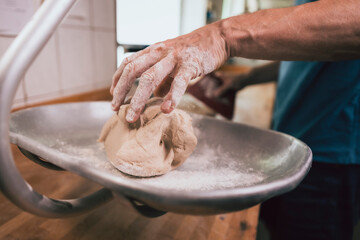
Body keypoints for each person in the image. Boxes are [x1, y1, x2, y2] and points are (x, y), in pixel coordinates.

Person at [111, 0, 360, 239]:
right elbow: (312, 52)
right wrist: (246, 78)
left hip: (333, 148)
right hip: (292, 133)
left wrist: (222, 36)